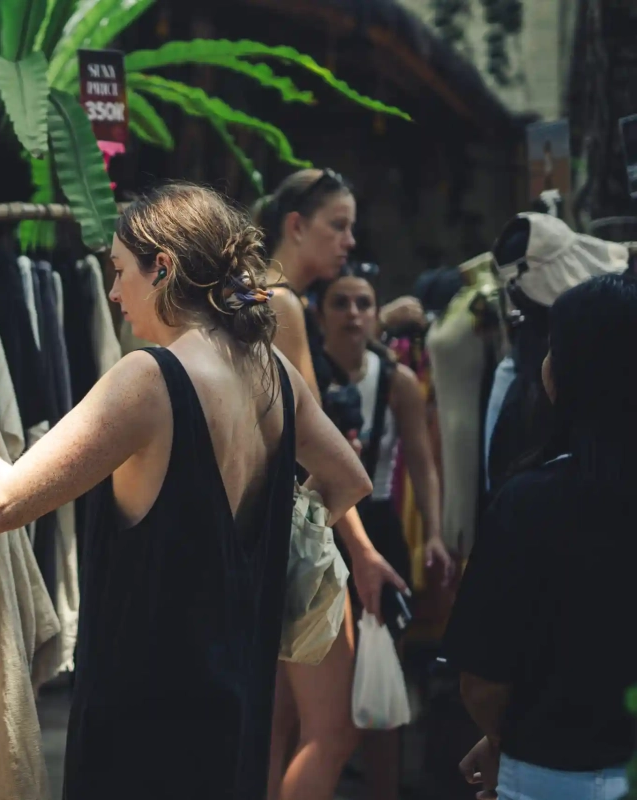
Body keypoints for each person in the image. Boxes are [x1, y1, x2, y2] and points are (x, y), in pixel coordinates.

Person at [0, 183, 373, 798]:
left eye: (120, 271)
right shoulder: (270, 371)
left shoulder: (149, 379)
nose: (115, 292)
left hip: (144, 711)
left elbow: (1, 501)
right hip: (236, 703)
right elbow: (348, 482)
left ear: (163, 268)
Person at [444, 273, 637, 800]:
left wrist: (506, 737)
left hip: (549, 778)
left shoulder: (529, 504)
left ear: (570, 374)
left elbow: (482, 682)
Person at [254, 168, 409, 800]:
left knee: (277, 728)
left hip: (256, 535)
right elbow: (317, 456)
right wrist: (365, 553)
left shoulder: (249, 295)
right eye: (337, 226)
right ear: (296, 226)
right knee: (335, 732)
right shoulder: (282, 303)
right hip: (297, 539)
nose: (349, 241)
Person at [314, 265, 455, 800]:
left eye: (363, 304)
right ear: (321, 312)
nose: (353, 314)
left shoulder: (395, 378)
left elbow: (422, 463)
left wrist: (435, 535)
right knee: (318, 675)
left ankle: (383, 789)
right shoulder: (309, 371)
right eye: (341, 303)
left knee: (382, 671)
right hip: (320, 528)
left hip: (378, 526)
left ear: (378, 314)